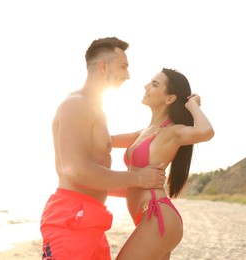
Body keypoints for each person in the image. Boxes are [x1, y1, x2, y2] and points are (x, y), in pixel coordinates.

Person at [40, 37, 166, 260]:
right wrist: (137, 179)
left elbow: (97, 178)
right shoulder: (76, 104)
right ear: (103, 66)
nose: (128, 75)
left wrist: (181, 107)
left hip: (91, 219)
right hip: (70, 220)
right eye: (123, 66)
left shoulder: (95, 108)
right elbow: (76, 171)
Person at [112, 68, 215, 260]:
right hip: (150, 218)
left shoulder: (173, 132)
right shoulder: (144, 132)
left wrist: (192, 105)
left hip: (157, 216)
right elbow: (102, 141)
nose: (146, 86)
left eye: (155, 84)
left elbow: (206, 131)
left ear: (169, 98)